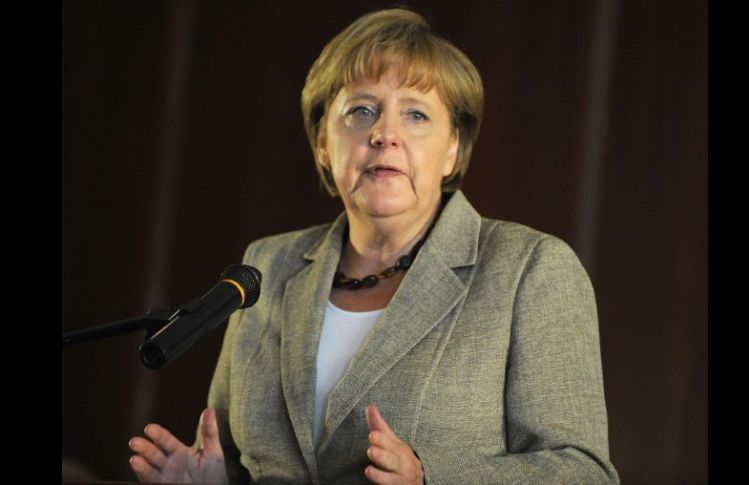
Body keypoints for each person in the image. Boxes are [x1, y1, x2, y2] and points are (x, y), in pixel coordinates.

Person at [128, 7, 620, 484]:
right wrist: (213, 480)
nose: (385, 134)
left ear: (452, 148)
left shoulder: (528, 270)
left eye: (416, 115)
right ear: (324, 141)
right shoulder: (265, 267)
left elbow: (583, 473)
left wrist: (429, 478)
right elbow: (234, 457)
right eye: (361, 111)